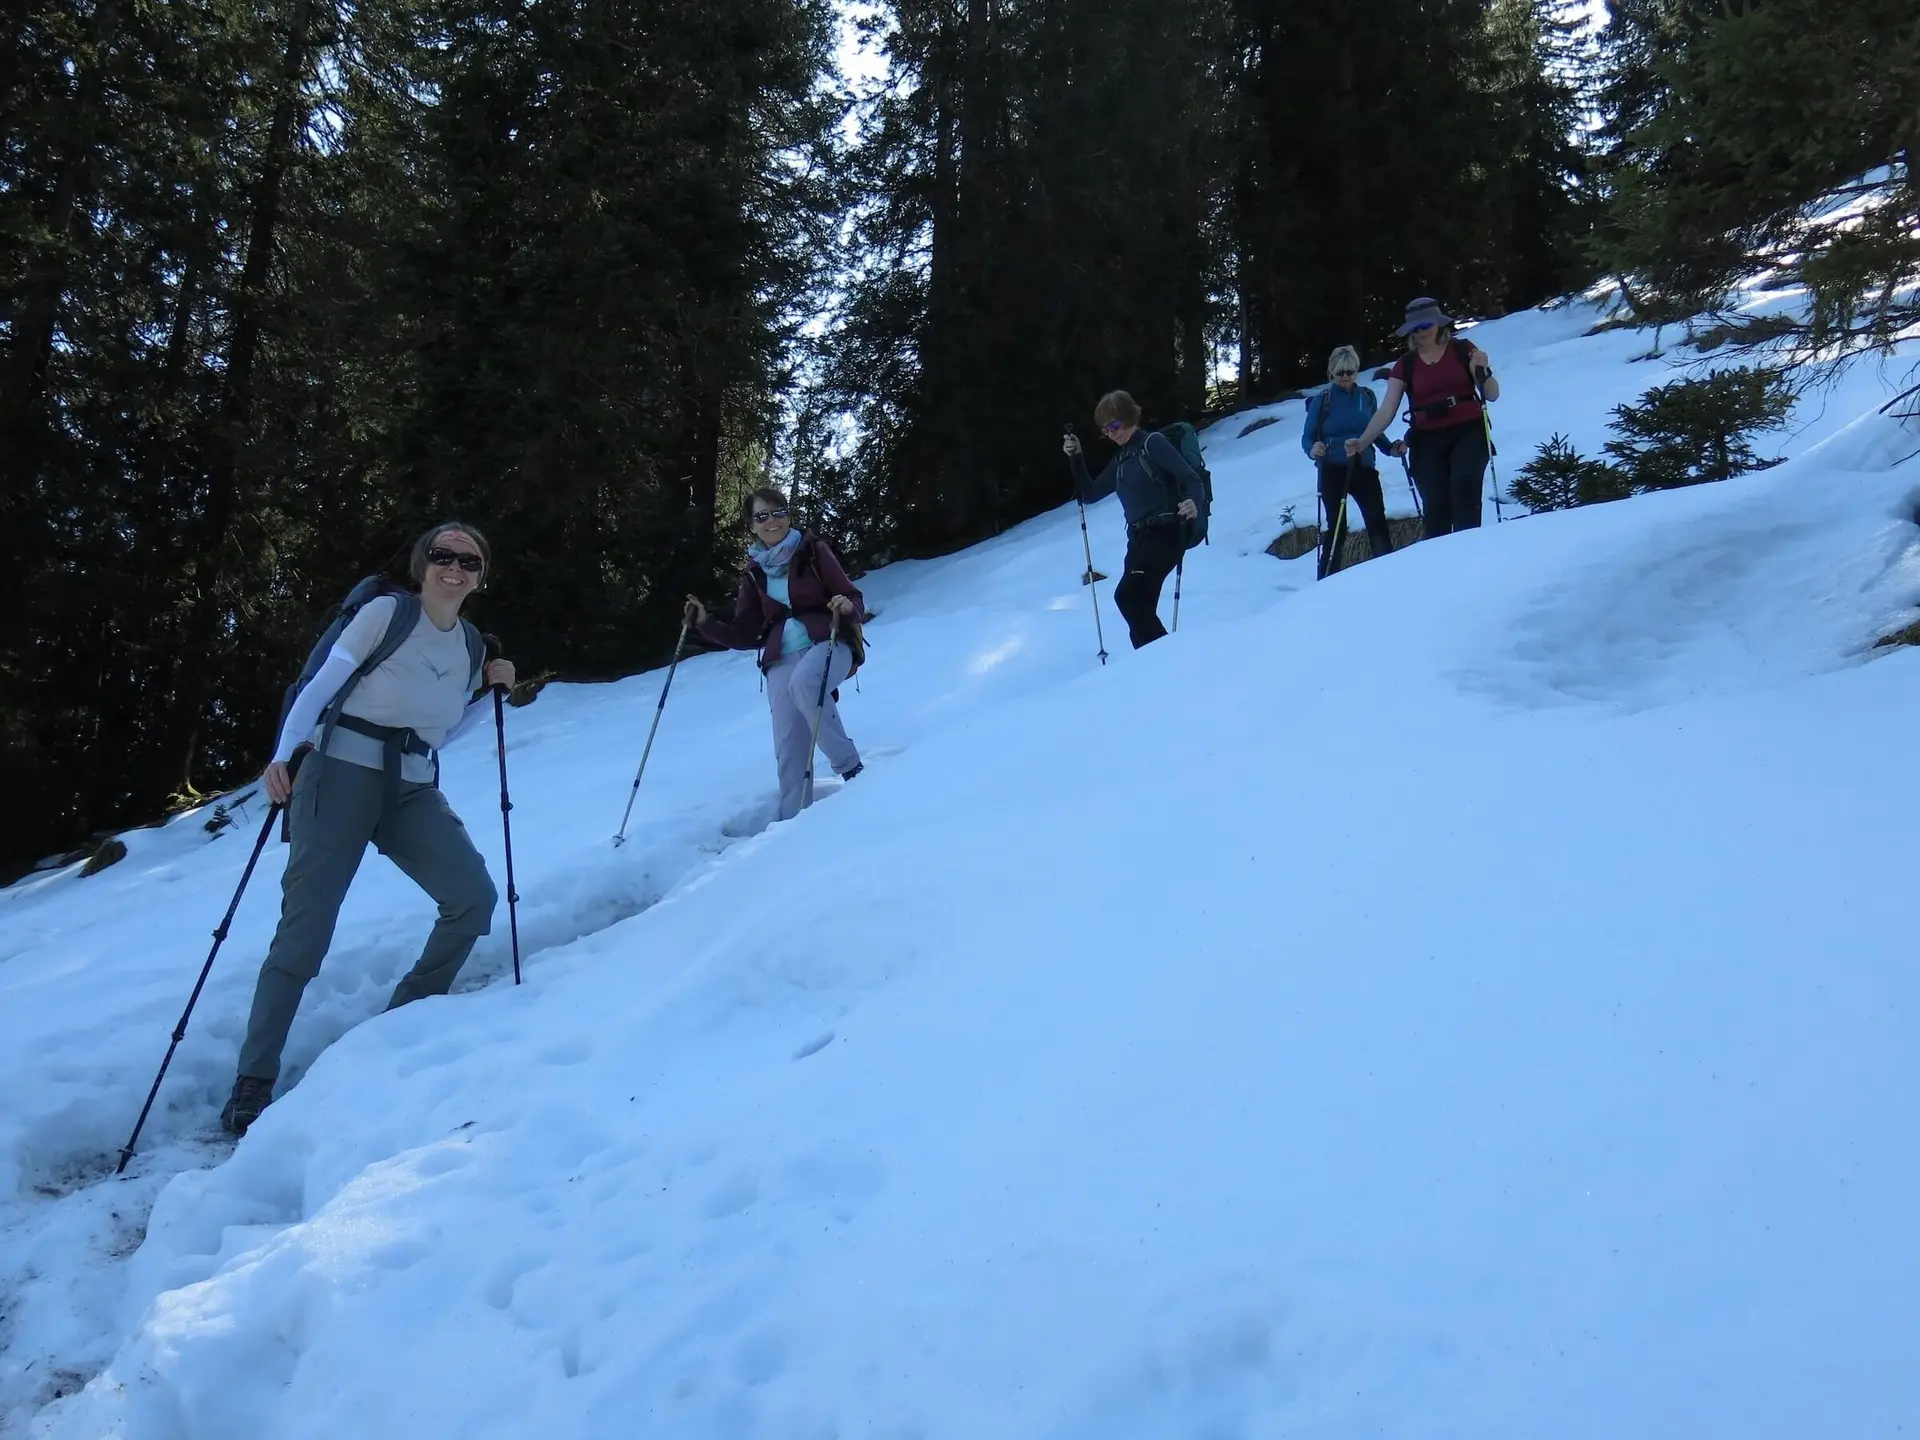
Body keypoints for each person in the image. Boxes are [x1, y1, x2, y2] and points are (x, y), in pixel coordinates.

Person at [222, 522, 516, 1136]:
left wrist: (489, 692)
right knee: (306, 930)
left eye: (468, 560)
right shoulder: (388, 614)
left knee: (473, 898)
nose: (454, 567)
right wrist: (285, 754)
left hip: (410, 786)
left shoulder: (468, 647)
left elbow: (440, 731)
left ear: (482, 576)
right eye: (442, 555)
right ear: (422, 564)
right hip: (338, 773)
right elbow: (321, 687)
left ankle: (403, 1021)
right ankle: (253, 1078)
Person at [685, 489, 866, 823]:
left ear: (789, 515)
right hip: (780, 656)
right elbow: (744, 632)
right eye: (762, 516)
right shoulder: (754, 574)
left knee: (804, 684)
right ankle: (792, 826)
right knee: (788, 745)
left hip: (828, 642)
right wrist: (704, 623)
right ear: (751, 525)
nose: (772, 521)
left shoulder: (813, 551)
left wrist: (845, 607)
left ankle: (851, 768)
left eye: (778, 511)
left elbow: (853, 596)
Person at [1061, 391, 1204, 649]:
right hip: (1138, 541)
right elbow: (1089, 494)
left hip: (1167, 531)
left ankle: (1168, 656)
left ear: (1129, 417)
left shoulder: (1153, 443)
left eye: (1114, 425)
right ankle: (1152, 662)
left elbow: (1190, 477)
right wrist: (1076, 457)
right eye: (1105, 430)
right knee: (1138, 608)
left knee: (1128, 597)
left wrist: (1193, 501)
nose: (1111, 433)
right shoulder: (1121, 459)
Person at [1347, 297, 1499, 538]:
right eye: (1415, 328)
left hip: (1469, 430)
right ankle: (1437, 556)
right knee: (1435, 503)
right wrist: (1363, 441)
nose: (1421, 331)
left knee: (1465, 487)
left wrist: (1484, 371)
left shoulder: (1462, 350)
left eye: (1426, 325)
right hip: (1426, 438)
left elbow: (1491, 394)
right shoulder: (1405, 365)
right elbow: (1386, 410)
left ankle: (1469, 549)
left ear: (1438, 323)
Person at [1303, 344, 1402, 576]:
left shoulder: (1366, 397)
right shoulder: (1322, 400)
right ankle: (1327, 578)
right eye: (1340, 372)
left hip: (1363, 465)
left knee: (1376, 520)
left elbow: (1374, 431)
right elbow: (1307, 437)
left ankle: (1388, 573)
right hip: (1333, 469)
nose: (1346, 377)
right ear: (1332, 372)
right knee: (1337, 526)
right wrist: (1313, 449)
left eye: (1350, 371)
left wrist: (1391, 449)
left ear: (1357, 370)